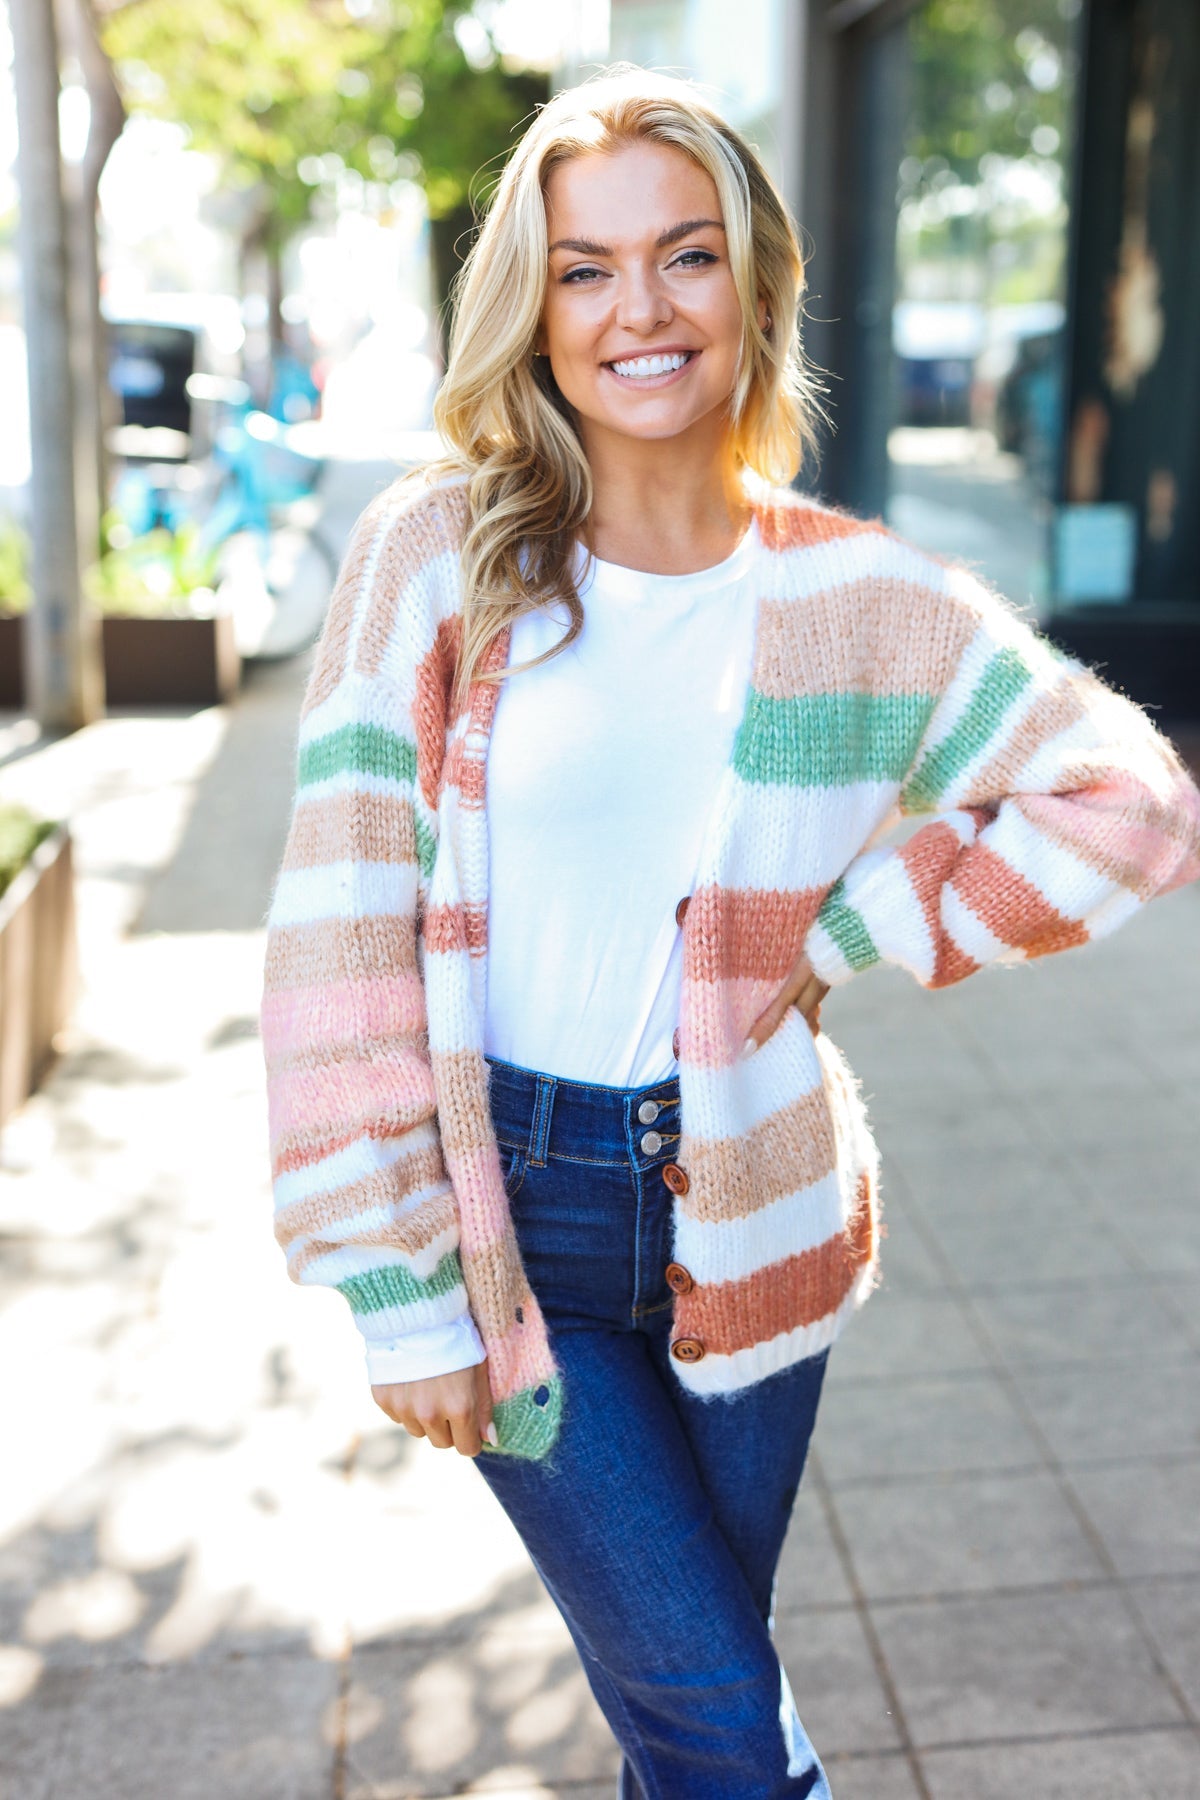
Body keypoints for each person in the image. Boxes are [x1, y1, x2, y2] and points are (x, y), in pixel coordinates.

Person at [259, 68, 1200, 1800]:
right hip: (511, 1225)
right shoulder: (436, 560)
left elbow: (1130, 804)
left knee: (683, 1707)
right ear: (532, 310)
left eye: (684, 256)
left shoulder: (856, 598)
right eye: (585, 267)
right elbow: (337, 929)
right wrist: (397, 1294)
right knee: (718, 1725)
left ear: (756, 282)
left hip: (753, 1227)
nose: (641, 308)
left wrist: (850, 931)